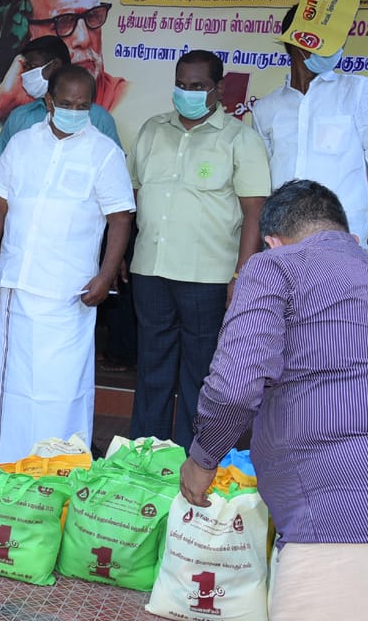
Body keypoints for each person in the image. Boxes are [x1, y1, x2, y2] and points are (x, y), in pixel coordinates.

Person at [180, 179, 368, 621]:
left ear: (272, 241)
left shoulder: (274, 267)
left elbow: (235, 386)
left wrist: (202, 460)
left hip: (334, 526)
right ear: (349, 236)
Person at [0, 65, 134, 466]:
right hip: (16, 282)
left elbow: (120, 218)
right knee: (9, 378)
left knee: (60, 384)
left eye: (83, 105)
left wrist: (105, 275)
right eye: (67, 103)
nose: (75, 111)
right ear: (49, 102)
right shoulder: (22, 143)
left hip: (69, 289)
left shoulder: (104, 152)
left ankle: (57, 460)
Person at [127, 50, 271, 448]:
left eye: (198, 86)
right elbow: (134, 193)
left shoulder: (241, 139)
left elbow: (254, 212)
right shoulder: (153, 129)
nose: (187, 93)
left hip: (208, 276)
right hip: (150, 269)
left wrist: (242, 275)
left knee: (201, 373)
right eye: (181, 85)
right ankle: (145, 454)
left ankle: (194, 459)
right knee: (151, 367)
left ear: (219, 89)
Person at [252, 5, 368, 259]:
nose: (336, 42)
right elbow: (260, 188)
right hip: (282, 245)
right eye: (326, 33)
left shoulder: (359, 91)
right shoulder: (266, 108)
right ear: (297, 40)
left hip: (345, 243)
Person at [0, 0, 128, 122]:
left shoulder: (122, 98)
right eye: (63, 22)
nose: (84, 39)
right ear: (30, 33)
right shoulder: (2, 95)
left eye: (93, 16)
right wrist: (1, 103)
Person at [0, 35, 121, 160]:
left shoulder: (99, 118)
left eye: (32, 66)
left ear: (55, 66)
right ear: (48, 101)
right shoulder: (19, 117)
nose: (25, 73)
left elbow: (113, 166)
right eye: (26, 67)